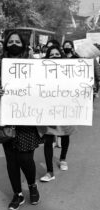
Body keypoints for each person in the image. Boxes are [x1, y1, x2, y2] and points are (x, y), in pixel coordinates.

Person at [0, 31, 40, 210]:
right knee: (11, 160)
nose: (14, 44)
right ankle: (17, 194)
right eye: (10, 41)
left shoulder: (35, 64)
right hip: (7, 118)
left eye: (18, 41)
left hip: (27, 119)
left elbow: (45, 88)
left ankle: (32, 185)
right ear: (5, 43)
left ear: (24, 44)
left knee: (25, 158)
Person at [37, 45, 76, 182]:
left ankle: (63, 159)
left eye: (57, 54)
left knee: (65, 134)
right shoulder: (40, 72)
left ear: (61, 56)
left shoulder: (69, 71)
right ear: (47, 57)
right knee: (48, 139)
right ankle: (49, 172)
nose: (54, 56)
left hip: (64, 108)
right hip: (48, 109)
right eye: (51, 55)